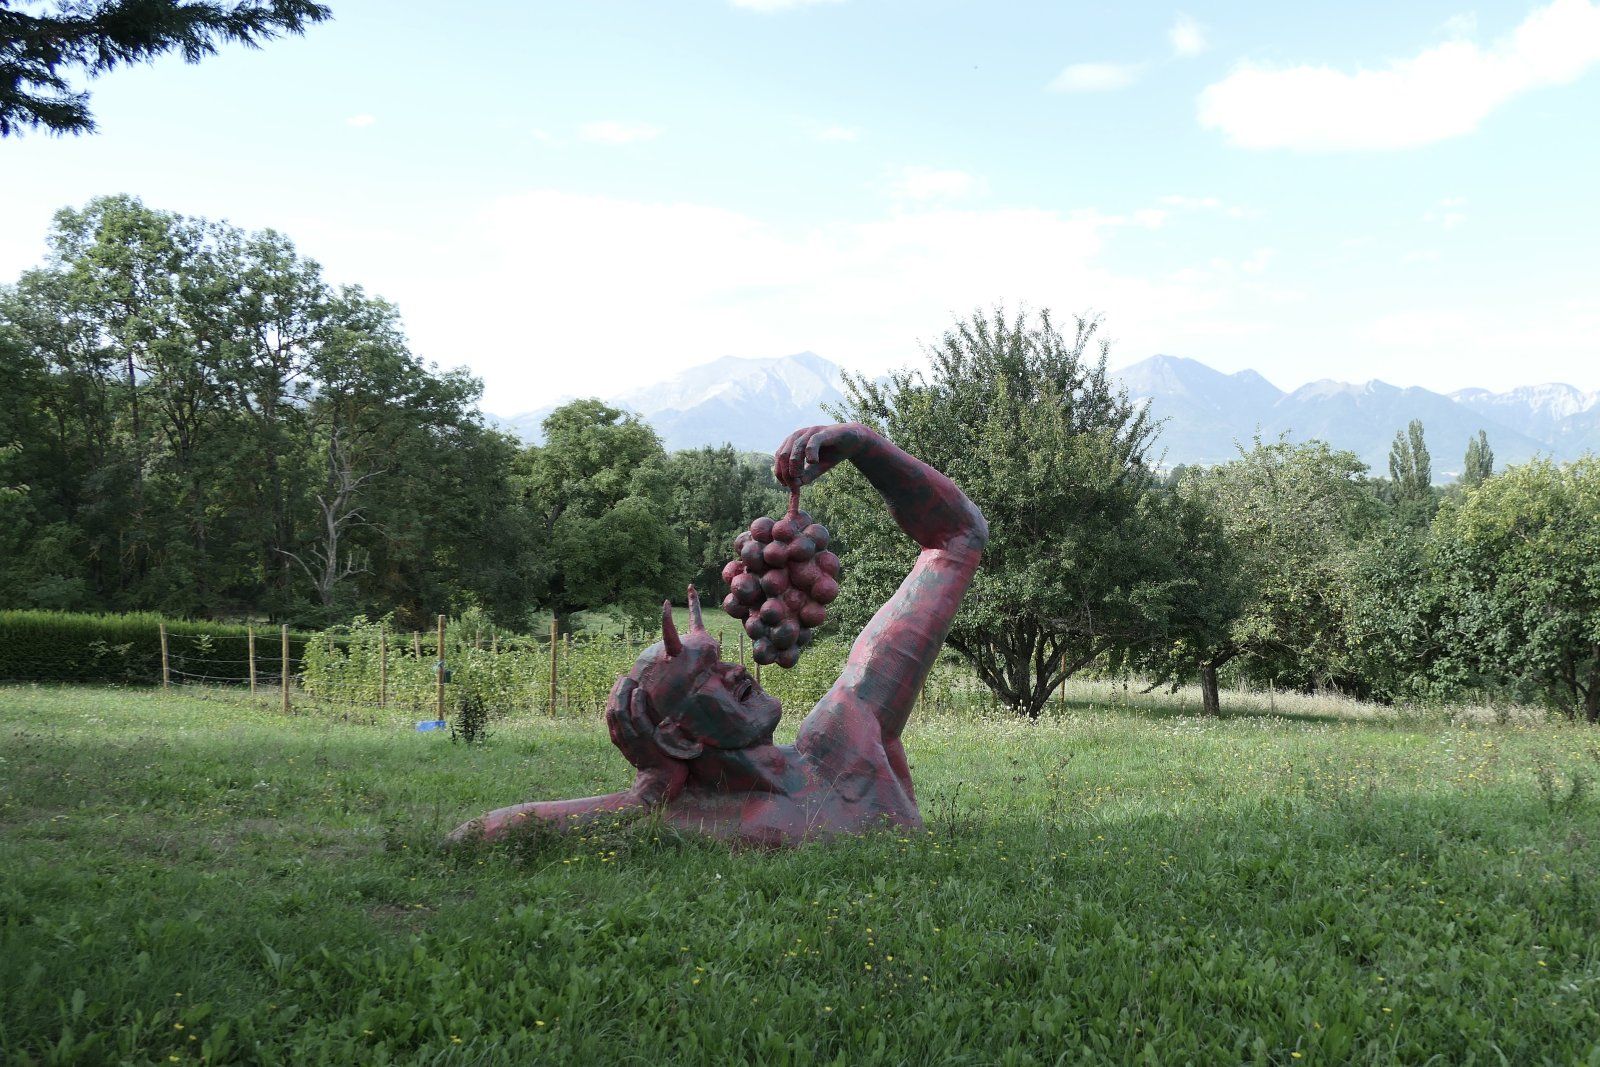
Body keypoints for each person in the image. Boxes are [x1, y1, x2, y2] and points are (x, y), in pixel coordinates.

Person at [450, 422, 987, 846]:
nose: (733, 671)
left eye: (718, 658)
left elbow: (959, 538)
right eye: (703, 675)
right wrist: (644, 797)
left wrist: (867, 446)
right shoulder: (690, 820)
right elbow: (489, 833)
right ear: (679, 737)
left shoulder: (844, 739)